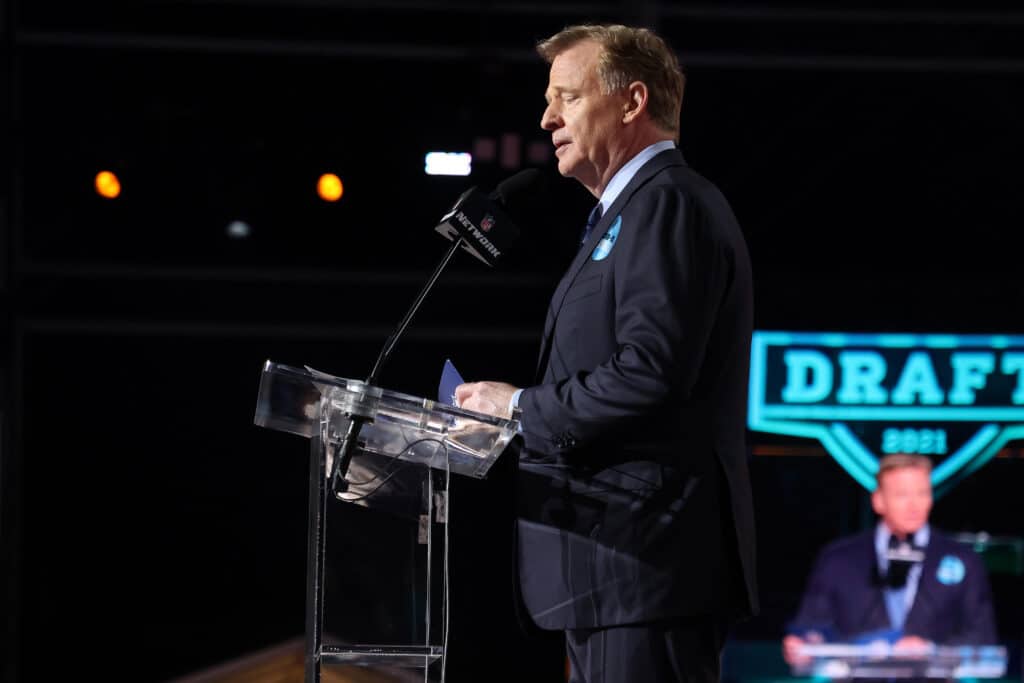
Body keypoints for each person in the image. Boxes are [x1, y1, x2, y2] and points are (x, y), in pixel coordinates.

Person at [455, 23, 757, 683]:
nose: (547, 115)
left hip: (646, 568)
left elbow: (652, 373)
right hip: (609, 572)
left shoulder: (669, 204)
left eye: (567, 95)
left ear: (631, 102)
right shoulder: (627, 215)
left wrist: (523, 406)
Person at [782, 453, 997, 667]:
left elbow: (983, 638)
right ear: (878, 501)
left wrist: (932, 651)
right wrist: (803, 647)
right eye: (902, 495)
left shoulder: (963, 560)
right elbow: (812, 629)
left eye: (922, 493)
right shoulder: (838, 559)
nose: (914, 505)